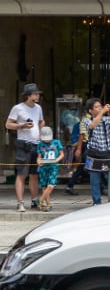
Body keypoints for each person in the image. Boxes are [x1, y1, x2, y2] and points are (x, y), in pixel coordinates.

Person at [5, 83, 45, 212]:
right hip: (23, 144)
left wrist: (41, 132)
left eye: (38, 93)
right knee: (22, 174)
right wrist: (22, 126)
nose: (38, 95)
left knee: (34, 175)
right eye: (35, 93)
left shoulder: (38, 108)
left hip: (36, 144)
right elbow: (8, 124)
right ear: (28, 95)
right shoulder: (18, 108)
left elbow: (41, 121)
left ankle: (34, 200)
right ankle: (20, 202)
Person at [84, 98, 110, 205]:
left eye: (100, 106)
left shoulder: (106, 120)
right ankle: (96, 202)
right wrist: (102, 112)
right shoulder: (87, 120)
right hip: (93, 154)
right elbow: (92, 126)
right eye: (96, 107)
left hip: (107, 154)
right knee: (94, 181)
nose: (100, 108)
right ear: (90, 110)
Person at [35, 126, 64, 212]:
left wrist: (56, 160)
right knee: (44, 186)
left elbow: (62, 154)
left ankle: (40, 200)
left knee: (51, 185)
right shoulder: (40, 144)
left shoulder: (56, 142)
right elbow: (39, 157)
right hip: (44, 167)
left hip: (53, 167)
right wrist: (38, 162)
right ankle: (48, 204)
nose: (47, 140)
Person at [65, 107, 91, 195]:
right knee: (90, 167)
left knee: (83, 167)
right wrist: (79, 148)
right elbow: (81, 136)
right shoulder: (82, 124)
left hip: (86, 147)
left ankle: (70, 185)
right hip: (85, 147)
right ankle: (103, 186)